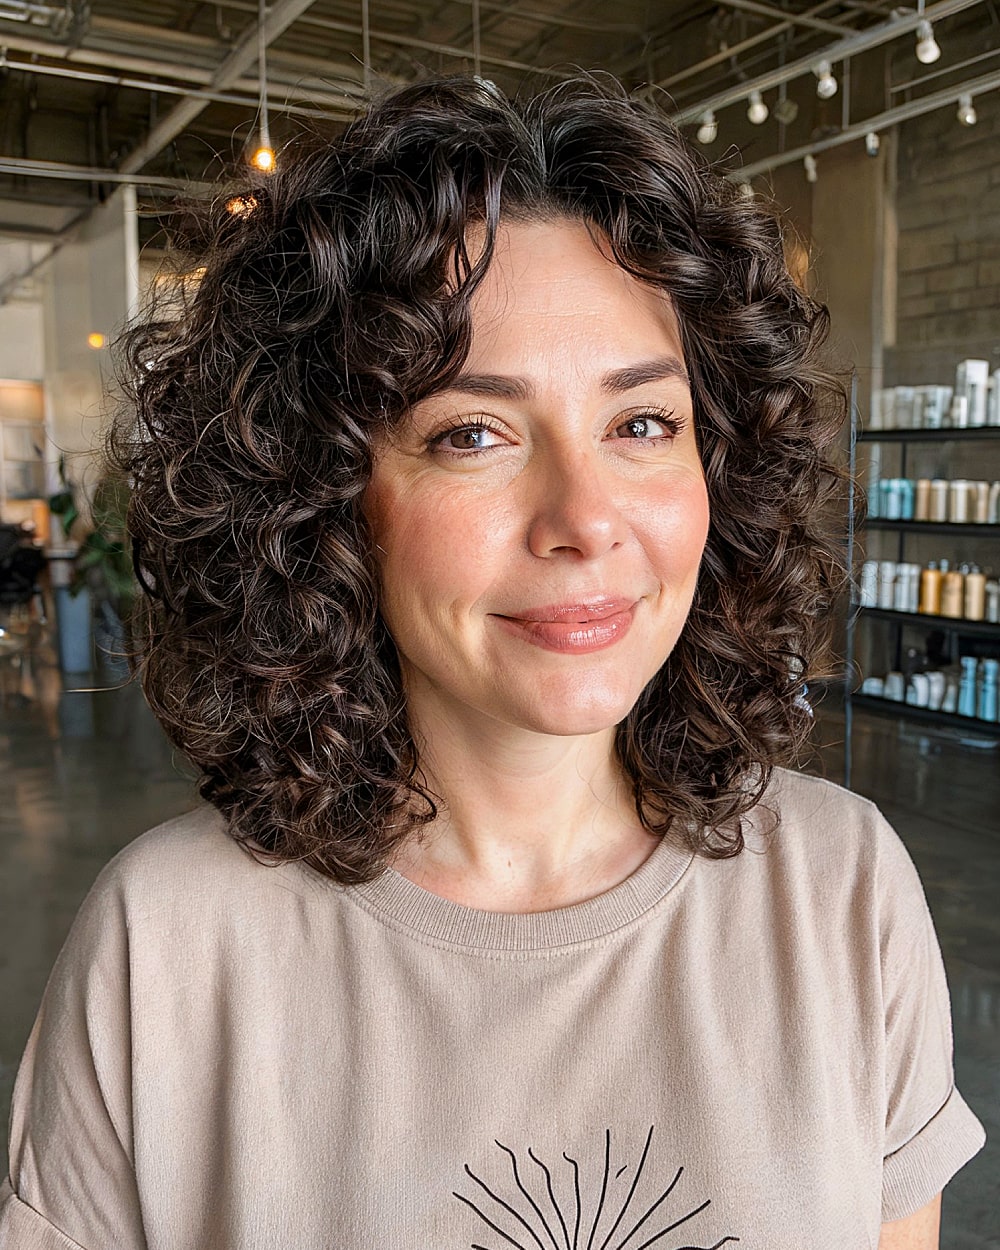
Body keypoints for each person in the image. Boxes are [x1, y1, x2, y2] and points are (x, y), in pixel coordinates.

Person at [0, 76, 985, 1249]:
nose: (584, 518)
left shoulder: (838, 892)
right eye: (473, 432)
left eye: (641, 423)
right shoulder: (164, 949)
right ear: (325, 498)